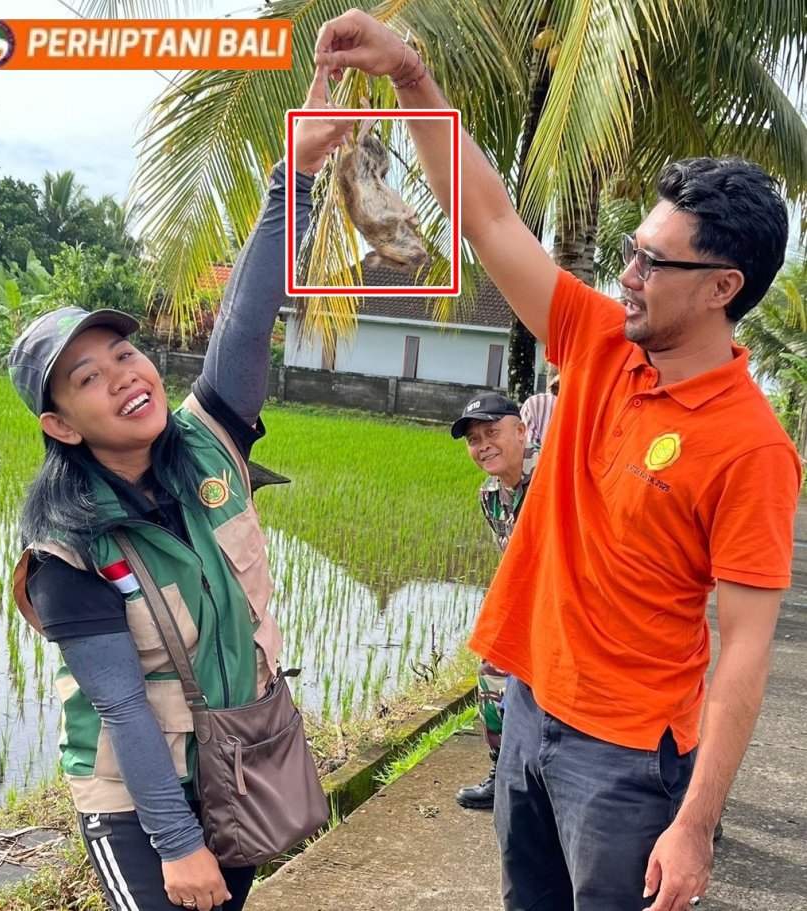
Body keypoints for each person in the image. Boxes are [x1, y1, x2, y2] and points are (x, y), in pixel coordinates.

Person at [315, 13, 801, 911]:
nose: (628, 274)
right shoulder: (600, 341)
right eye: (629, 251)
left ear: (722, 287)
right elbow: (489, 215)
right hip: (531, 713)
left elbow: (745, 651)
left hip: (627, 761)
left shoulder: (752, 449)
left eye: (653, 261)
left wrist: (694, 823)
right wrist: (413, 78)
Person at [7, 70, 352, 911]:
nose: (124, 377)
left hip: (238, 758)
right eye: (88, 378)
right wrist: (177, 842)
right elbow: (121, 705)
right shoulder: (67, 548)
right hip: (138, 800)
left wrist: (294, 178)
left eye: (124, 355)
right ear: (62, 425)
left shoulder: (209, 443)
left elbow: (246, 314)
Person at [451, 391, 556, 809]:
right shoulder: (491, 495)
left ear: (521, 430)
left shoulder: (554, 478)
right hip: (529, 607)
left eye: (491, 432)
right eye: (474, 440)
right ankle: (502, 771)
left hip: (573, 608)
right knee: (493, 674)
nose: (483, 446)